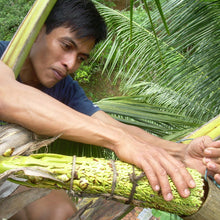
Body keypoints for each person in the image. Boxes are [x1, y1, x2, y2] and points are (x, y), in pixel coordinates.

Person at [0, 0, 219, 219]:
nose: (71, 64)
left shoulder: (65, 88)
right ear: (38, 31)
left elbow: (106, 124)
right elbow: (8, 95)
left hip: (7, 173)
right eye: (66, 46)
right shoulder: (2, 55)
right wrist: (118, 140)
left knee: (60, 213)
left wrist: (180, 152)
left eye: (81, 58)